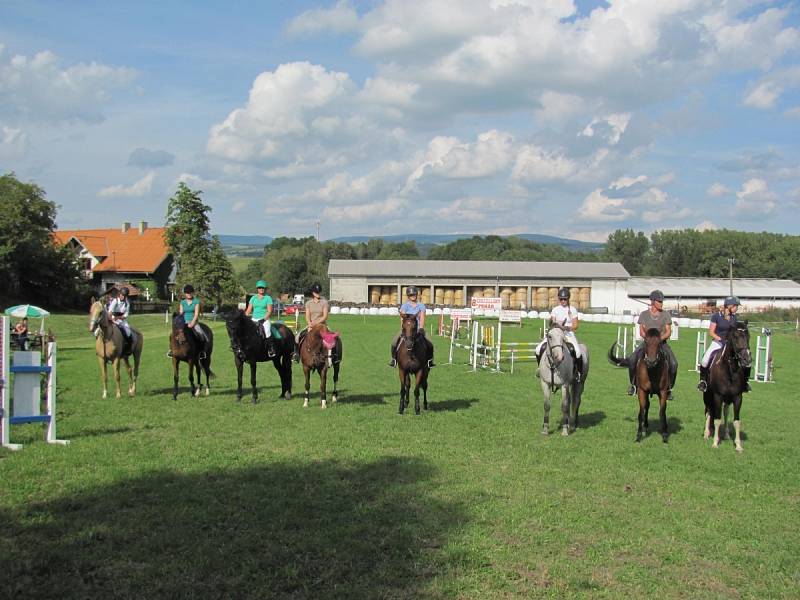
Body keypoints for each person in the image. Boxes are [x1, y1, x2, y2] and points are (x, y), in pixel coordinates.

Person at [627, 290, 678, 399]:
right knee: (632, 360)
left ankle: (669, 388)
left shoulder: (666, 315)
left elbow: (668, 332)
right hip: (647, 344)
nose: (661, 303)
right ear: (653, 302)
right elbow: (641, 332)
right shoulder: (644, 314)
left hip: (662, 344)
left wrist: (658, 340)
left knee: (674, 363)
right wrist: (650, 341)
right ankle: (633, 385)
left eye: (662, 301)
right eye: (659, 301)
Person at [698, 296, 751, 392]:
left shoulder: (734, 318)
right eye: (736, 306)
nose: (737, 308)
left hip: (730, 344)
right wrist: (720, 339)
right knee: (705, 359)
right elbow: (711, 332)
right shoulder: (716, 316)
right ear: (729, 306)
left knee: (745, 358)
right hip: (718, 342)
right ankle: (703, 381)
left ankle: (745, 382)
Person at [535, 287, 583, 381]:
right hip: (555, 334)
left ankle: (578, 373)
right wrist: (554, 323)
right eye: (561, 299)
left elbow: (576, 325)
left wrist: (566, 327)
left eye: (565, 299)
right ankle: (540, 369)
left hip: (568, 333)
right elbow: (552, 322)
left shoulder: (572, 310)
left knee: (577, 351)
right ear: (559, 299)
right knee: (538, 349)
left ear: (568, 299)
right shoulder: (555, 309)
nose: (563, 301)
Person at [388, 286, 434, 368]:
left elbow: (422, 318)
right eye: (411, 295)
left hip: (418, 328)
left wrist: (421, 328)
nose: (413, 296)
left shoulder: (421, 306)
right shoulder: (404, 306)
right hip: (406, 329)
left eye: (414, 294)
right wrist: (403, 330)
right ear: (408, 296)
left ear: (417, 295)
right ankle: (394, 360)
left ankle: (429, 361)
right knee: (394, 341)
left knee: (430, 342)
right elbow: (402, 320)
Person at [293, 283, 330, 362]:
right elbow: (307, 315)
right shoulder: (308, 303)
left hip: (322, 325)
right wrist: (309, 323)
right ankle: (296, 355)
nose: (318, 294)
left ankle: (333, 357)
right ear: (313, 293)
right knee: (297, 337)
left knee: (332, 338)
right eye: (316, 292)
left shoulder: (324, 302)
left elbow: (325, 316)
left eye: (319, 292)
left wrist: (315, 323)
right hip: (311, 325)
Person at [244, 279, 275, 356]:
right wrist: (243, 318)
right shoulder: (253, 298)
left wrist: (264, 319)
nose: (261, 289)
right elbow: (248, 311)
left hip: (264, 319)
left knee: (267, 331)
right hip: (254, 319)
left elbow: (269, 311)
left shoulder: (268, 298)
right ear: (257, 289)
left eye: (262, 288)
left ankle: (270, 349)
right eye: (259, 287)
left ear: (265, 289)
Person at [179, 284, 209, 357]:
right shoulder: (182, 302)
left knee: (201, 334)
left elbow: (196, 314)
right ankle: (172, 350)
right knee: (174, 334)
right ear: (185, 293)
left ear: (192, 293)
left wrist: (192, 323)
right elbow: (181, 313)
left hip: (193, 322)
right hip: (184, 322)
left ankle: (202, 351)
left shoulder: (196, 302)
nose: (189, 294)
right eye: (187, 293)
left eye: (190, 292)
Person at [108, 286, 135, 352]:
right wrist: (112, 319)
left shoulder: (127, 303)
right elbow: (110, 311)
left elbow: (126, 315)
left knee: (128, 333)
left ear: (126, 296)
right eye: (121, 294)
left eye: (124, 295)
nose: (122, 296)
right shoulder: (115, 301)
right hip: (113, 318)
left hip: (122, 320)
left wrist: (118, 318)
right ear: (119, 294)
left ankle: (128, 347)